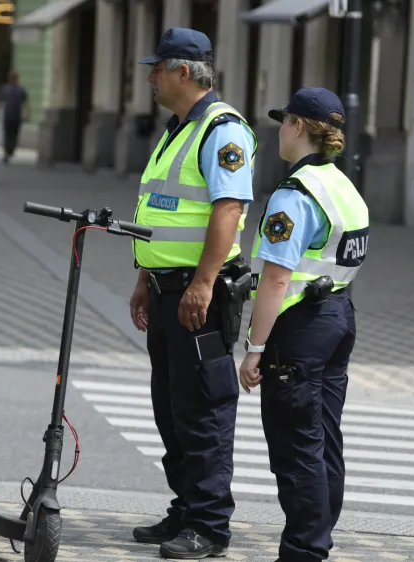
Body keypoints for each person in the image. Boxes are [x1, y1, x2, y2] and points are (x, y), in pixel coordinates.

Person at [127, 27, 256, 560]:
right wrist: (143, 278)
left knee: (202, 409)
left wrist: (202, 282)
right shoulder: (178, 128)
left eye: (157, 68)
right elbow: (161, 213)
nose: (151, 77)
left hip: (197, 294)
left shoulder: (223, 131)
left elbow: (227, 211)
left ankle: (209, 524)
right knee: (172, 409)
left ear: (184, 72)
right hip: (166, 290)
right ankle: (185, 508)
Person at [237, 87, 367, 562]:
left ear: (297, 127)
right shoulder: (344, 186)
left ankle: (304, 551)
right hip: (338, 316)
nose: (279, 130)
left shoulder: (295, 193)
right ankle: (317, 541)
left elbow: (275, 279)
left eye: (283, 121)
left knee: (297, 448)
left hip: (299, 328)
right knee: (324, 438)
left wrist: (254, 347)